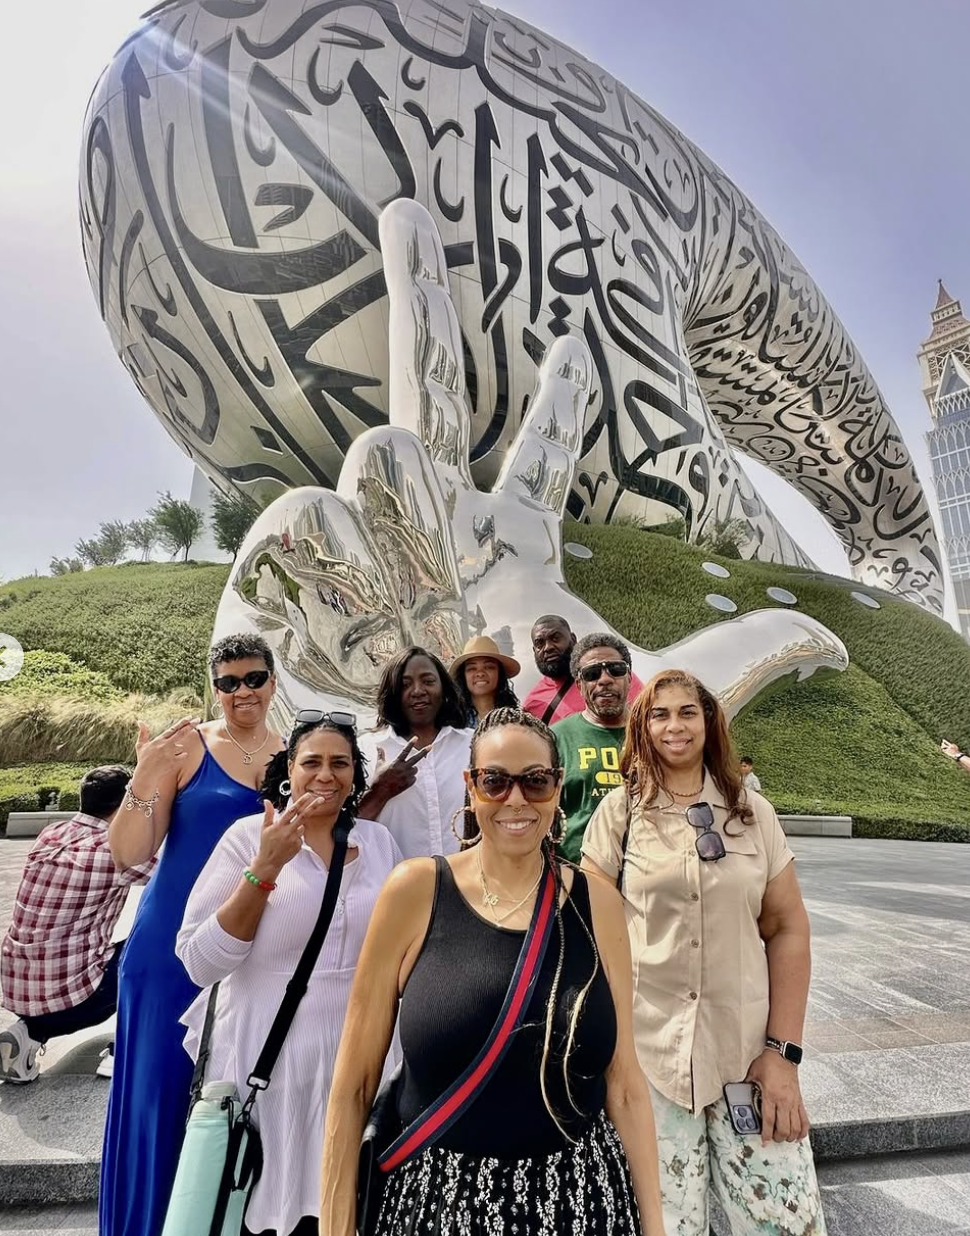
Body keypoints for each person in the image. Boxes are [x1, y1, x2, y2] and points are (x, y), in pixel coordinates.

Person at [320, 707, 666, 1236]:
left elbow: (624, 1085)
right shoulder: (414, 892)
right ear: (472, 786)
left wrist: (655, 1225)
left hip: (582, 1200)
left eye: (535, 781)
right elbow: (354, 1084)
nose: (516, 800)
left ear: (557, 787)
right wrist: (335, 1225)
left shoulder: (599, 904)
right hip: (439, 1203)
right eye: (496, 781)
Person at [582, 669, 827, 1236]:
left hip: (746, 1057)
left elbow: (788, 927)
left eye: (687, 711)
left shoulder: (750, 812)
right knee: (663, 1224)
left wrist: (783, 1054)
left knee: (782, 1220)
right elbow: (594, 933)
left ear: (709, 720)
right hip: (649, 1060)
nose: (675, 725)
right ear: (642, 728)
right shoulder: (619, 816)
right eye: (659, 714)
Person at [177, 711, 401, 1236]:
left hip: (360, 1062)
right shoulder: (246, 838)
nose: (326, 775)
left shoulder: (378, 842)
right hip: (271, 1063)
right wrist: (266, 869)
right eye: (312, 762)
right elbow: (201, 962)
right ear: (289, 772)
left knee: (352, 1207)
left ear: (354, 777)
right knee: (271, 1210)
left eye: (339, 764)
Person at [100, 633, 285, 1236]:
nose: (242, 693)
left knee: (234, 1101)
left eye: (253, 678)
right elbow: (128, 851)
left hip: (255, 947)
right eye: (228, 682)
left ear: (272, 681)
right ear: (215, 687)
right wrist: (147, 771)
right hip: (168, 949)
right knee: (159, 1094)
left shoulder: (294, 753)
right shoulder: (187, 748)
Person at [0, 767, 154, 1085]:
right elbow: (173, 873)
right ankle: (128, 1047)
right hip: (75, 996)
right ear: (125, 803)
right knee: (156, 939)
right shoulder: (116, 850)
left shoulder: (52, 833)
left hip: (18, 984)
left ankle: (26, 1033)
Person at [357, 647, 472, 860]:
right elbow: (345, 833)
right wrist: (379, 791)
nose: (418, 690)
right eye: (405, 684)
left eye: (428, 681)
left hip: (467, 884)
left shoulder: (472, 744)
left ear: (444, 689)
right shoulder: (366, 748)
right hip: (394, 887)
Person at [553, 633, 635, 864]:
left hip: (645, 879)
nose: (605, 679)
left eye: (615, 670)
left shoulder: (654, 734)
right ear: (579, 685)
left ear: (629, 676)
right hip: (576, 878)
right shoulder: (555, 737)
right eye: (592, 674)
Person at [522, 614, 643, 725]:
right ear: (534, 651)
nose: (548, 647)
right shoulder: (533, 702)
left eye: (556, 638)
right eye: (540, 643)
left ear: (573, 639)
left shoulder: (616, 676)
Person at [449, 634, 520, 725]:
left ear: (499, 673)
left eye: (489, 667)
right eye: (472, 668)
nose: (480, 673)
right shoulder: (452, 722)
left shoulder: (516, 719)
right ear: (463, 675)